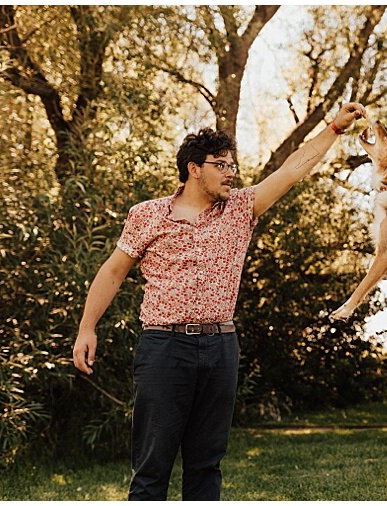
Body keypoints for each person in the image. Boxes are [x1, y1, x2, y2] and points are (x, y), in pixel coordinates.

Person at [72, 103, 367, 501]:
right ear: (195, 168)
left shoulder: (241, 209)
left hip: (220, 347)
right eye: (222, 165)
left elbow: (293, 168)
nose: (231, 173)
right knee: (151, 467)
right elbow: (112, 272)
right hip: (164, 347)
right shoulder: (147, 215)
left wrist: (334, 128)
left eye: (233, 165)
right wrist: (87, 328)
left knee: (206, 466)